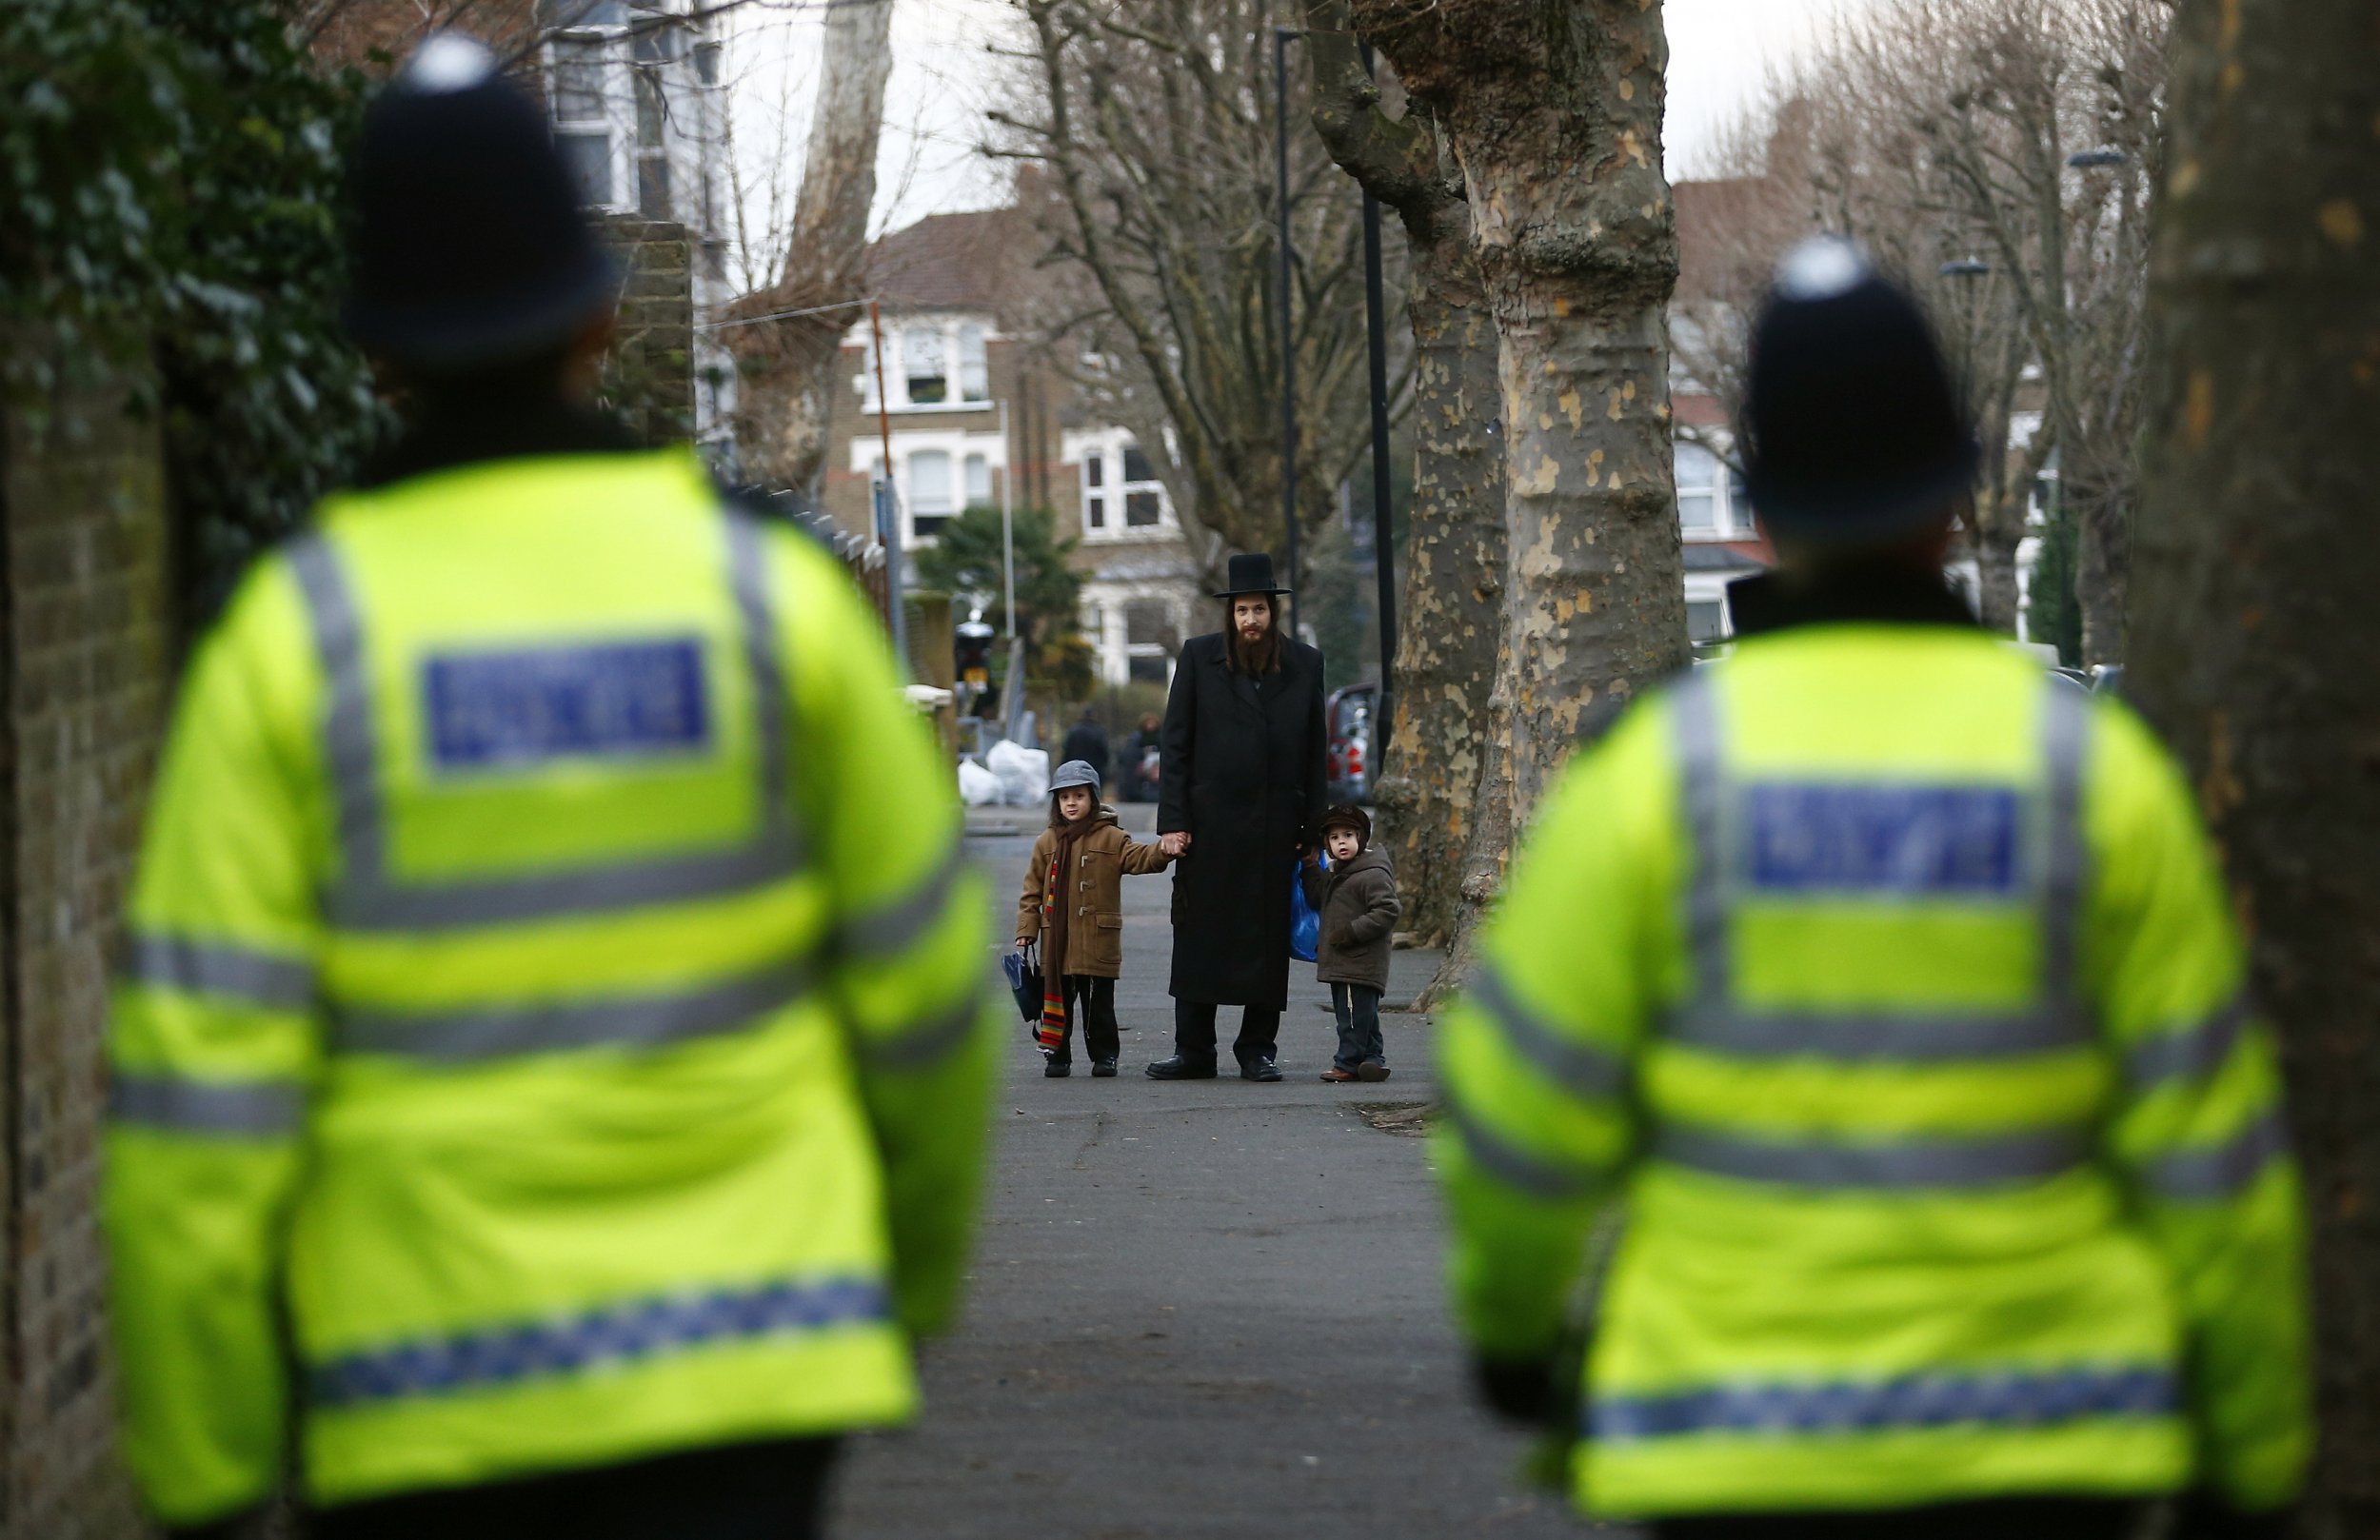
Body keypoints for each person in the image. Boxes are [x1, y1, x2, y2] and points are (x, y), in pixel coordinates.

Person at [100, 37, 994, 1540]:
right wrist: (895, 1288)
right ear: (594, 316)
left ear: (373, 348)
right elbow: (924, 1000)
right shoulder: (765, 604)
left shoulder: (293, 642)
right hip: (753, 1370)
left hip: (421, 1404)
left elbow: (201, 1097)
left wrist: (204, 1470)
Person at [1435, 238, 2309, 1540]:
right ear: (1954, 499)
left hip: (1728, 1439)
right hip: (2050, 1441)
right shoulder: (2092, 774)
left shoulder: (1654, 782)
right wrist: (2254, 1450)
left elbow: (1520, 1113)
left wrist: (1515, 1334)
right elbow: (2214, 1154)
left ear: (1764, 510)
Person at [1147, 554, 1329, 1081]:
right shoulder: (1199, 657)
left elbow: (1315, 752)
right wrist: (1172, 823)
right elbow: (1175, 745)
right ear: (1230, 614)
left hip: (1276, 826)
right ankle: (1194, 1049)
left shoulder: (1305, 664)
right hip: (1207, 828)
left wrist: (1315, 831)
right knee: (1199, 936)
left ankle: (1257, 1050)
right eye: (1242, 610)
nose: (1250, 620)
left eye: (1259, 610)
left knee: (1266, 941)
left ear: (1273, 613)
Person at [1014, 760, 1174, 1077]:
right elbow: (1032, 889)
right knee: (1056, 1001)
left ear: (1093, 799)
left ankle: (1105, 1056)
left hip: (1097, 939)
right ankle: (1057, 1057)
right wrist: (1026, 928)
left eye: (1079, 796)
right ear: (1057, 803)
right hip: (1057, 942)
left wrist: (1164, 850)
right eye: (1064, 797)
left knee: (1098, 1005)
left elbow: (1140, 858)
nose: (1071, 803)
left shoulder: (1111, 838)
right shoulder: (1046, 842)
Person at [1300, 804, 1400, 1084]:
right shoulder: (1337, 872)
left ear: (1361, 838)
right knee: (1364, 1016)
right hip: (1347, 959)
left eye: (1347, 835)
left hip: (1358, 960)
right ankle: (1372, 1060)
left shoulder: (1372, 873)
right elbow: (1316, 897)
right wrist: (1310, 867)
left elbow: (1388, 910)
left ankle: (1347, 1062)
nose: (1341, 842)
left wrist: (1350, 933)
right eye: (1334, 838)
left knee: (1351, 1017)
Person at [1060, 707, 1110, 785]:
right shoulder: (1098, 732)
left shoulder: (1073, 731)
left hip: (1074, 771)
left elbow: (1066, 751)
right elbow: (1104, 753)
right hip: (1094, 770)